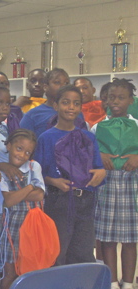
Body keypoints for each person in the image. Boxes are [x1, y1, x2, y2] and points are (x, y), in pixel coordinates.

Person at [34, 85, 106, 267]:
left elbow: (98, 168)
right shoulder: (45, 138)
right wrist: (53, 181)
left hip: (85, 201)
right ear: (56, 106)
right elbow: (36, 173)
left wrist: (101, 172)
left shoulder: (88, 137)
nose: (71, 107)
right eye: (66, 103)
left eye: (76, 103)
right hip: (58, 201)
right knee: (58, 251)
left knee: (83, 251)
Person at [90, 79, 138, 289]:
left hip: (131, 183)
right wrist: (99, 155)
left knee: (130, 238)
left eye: (121, 97)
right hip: (106, 184)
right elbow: (88, 154)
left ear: (131, 100)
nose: (115, 101)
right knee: (107, 237)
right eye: (111, 97)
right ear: (105, 100)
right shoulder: (96, 127)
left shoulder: (137, 124)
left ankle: (128, 282)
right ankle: (110, 282)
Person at [0, 129, 45, 289]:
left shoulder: (34, 166)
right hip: (10, 228)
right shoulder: (1, 171)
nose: (22, 155)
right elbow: (8, 200)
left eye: (27, 152)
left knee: (29, 271)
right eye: (19, 149)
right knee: (10, 272)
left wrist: (17, 194)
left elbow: (39, 195)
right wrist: (30, 186)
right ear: (9, 145)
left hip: (33, 229)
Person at [20, 68, 80, 138]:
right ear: (45, 87)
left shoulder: (75, 112)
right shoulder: (32, 115)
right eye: (57, 82)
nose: (63, 86)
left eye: (66, 83)